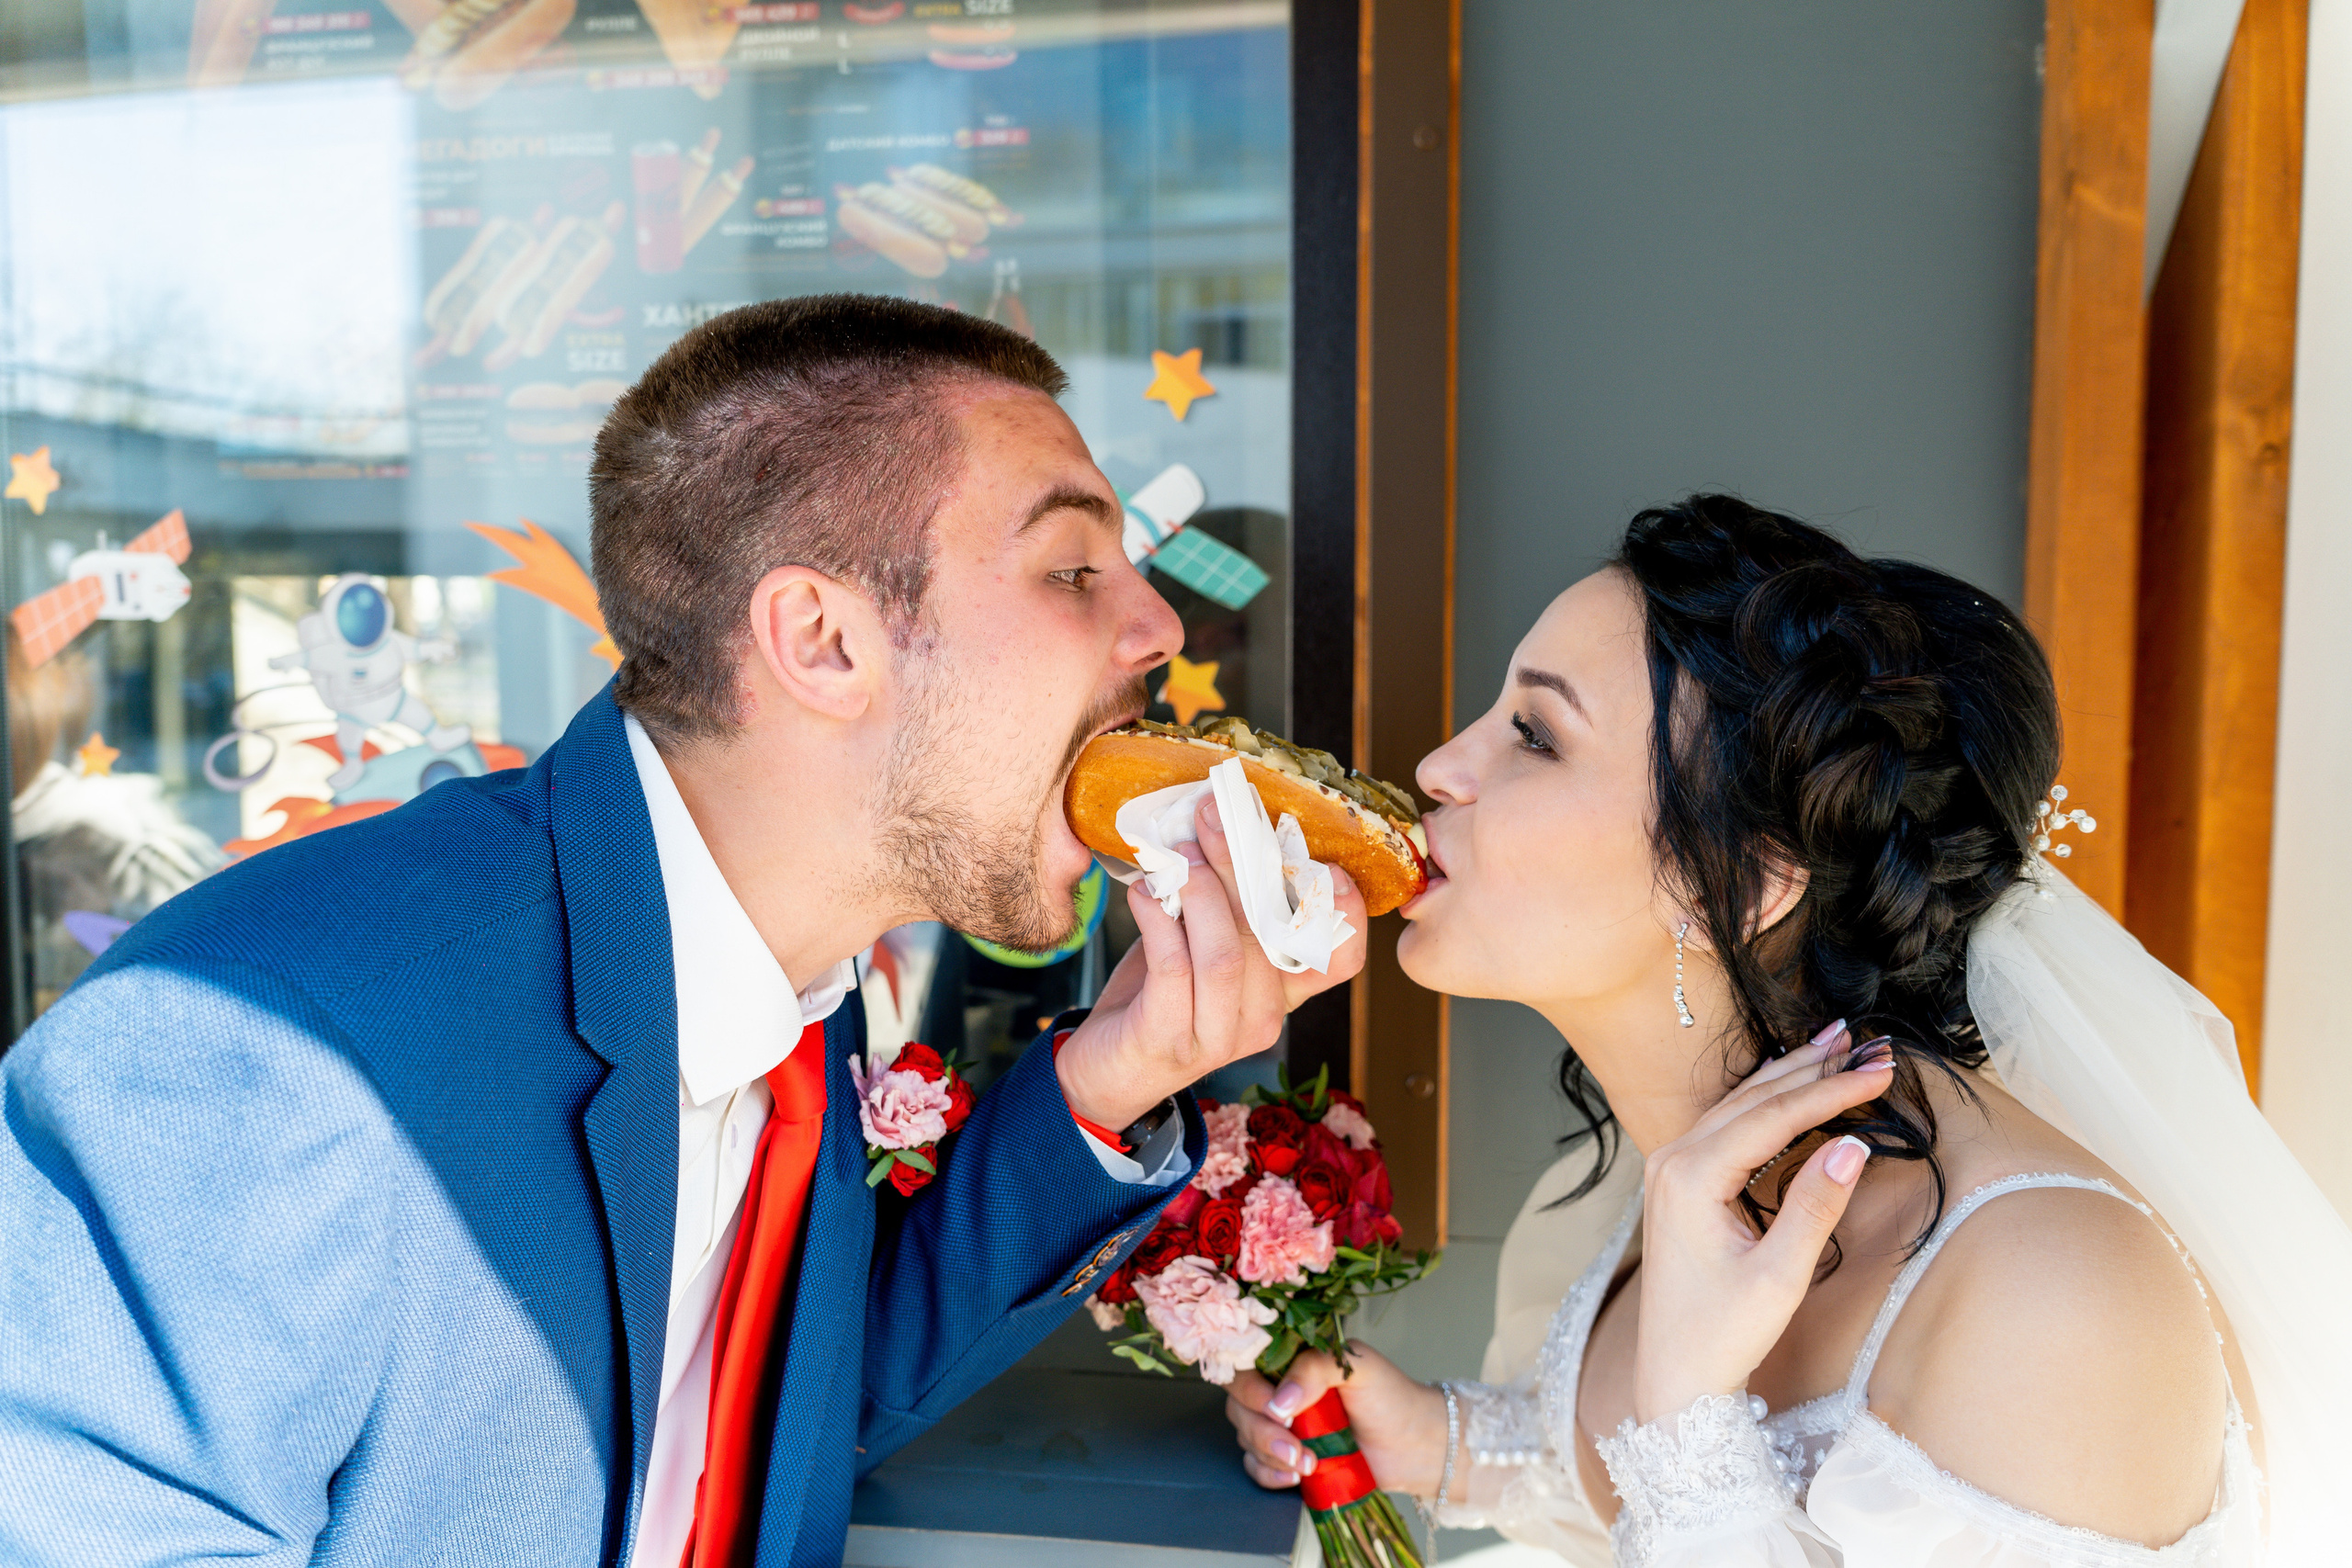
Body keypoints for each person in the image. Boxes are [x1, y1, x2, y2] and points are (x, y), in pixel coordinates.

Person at [0, 295, 1366, 1567]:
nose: (1158, 623)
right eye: (1070, 568)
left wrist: (1113, 1075)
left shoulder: (797, 992)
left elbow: (783, 1407)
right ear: (821, 640)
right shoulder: (259, 1047)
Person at [1224, 495, 2352, 1563]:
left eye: (1534, 734)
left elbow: (1685, 1478)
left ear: (1754, 879)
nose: (1438, 769)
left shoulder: (2054, 1298)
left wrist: (1686, 1421)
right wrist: (1443, 1443)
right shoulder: (1692, 1168)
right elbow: (1601, 1493)